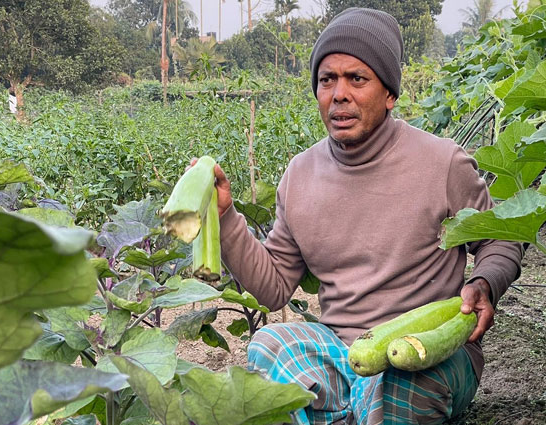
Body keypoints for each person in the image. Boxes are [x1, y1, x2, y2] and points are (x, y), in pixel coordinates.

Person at [198, 7, 524, 424]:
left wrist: (485, 283)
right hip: (343, 350)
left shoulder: (442, 163)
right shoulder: (300, 175)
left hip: (429, 352)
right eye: (326, 79)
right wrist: (225, 217)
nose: (339, 94)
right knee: (270, 344)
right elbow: (275, 287)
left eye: (357, 79)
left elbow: (501, 238)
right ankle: (352, 411)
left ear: (389, 94)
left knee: (399, 386)